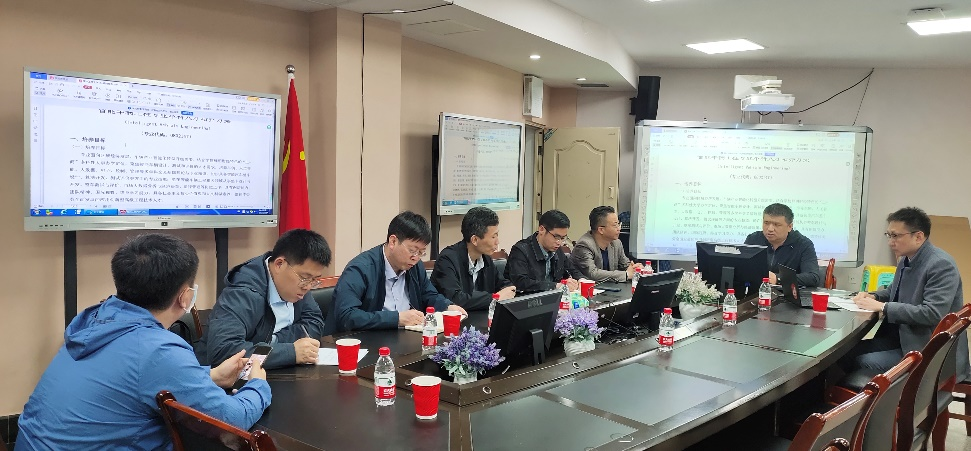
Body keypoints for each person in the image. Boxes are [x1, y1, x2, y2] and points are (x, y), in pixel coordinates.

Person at [16, 234, 270, 451]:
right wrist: (257, 384)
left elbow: (133, 377)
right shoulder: (157, 349)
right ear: (186, 297)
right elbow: (232, 420)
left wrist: (211, 376)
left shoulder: (95, 319)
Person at [847, 207, 970, 381]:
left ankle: (862, 396)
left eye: (895, 236)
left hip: (927, 348)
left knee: (862, 361)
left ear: (918, 237)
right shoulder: (906, 259)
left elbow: (932, 313)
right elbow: (893, 291)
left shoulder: (940, 264)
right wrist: (874, 296)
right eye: (889, 235)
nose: (890, 242)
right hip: (904, 337)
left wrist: (883, 306)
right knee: (846, 353)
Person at [205, 229, 331, 369]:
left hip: (274, 370)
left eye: (314, 280)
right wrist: (290, 351)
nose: (308, 287)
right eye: (305, 278)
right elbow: (223, 350)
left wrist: (276, 341)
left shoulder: (298, 285)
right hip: (228, 378)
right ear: (279, 264)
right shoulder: (243, 293)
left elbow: (315, 323)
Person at [327, 211, 467, 334]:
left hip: (406, 337)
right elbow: (346, 316)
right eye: (412, 250)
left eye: (421, 252)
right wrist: (397, 318)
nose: (416, 257)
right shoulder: (360, 269)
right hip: (366, 341)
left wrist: (447, 306)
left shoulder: (414, 266)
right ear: (393, 241)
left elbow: (429, 294)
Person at [431, 207, 516, 310]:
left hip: (480, 316)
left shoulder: (485, 258)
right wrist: (495, 298)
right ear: (475, 240)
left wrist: (509, 290)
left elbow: (502, 284)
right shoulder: (447, 260)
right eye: (493, 237)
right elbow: (456, 299)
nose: (497, 242)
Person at [744, 203, 821, 287]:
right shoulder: (753, 239)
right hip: (756, 291)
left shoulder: (803, 244)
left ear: (790, 226)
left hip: (787, 293)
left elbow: (813, 277)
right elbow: (741, 268)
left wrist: (779, 278)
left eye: (777, 225)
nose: (770, 229)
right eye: (766, 223)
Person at [506, 209, 583, 293]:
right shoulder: (521, 250)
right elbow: (521, 282)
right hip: (528, 298)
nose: (559, 242)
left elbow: (571, 269)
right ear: (541, 229)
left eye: (563, 238)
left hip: (552, 297)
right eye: (556, 237)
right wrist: (555, 286)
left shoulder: (556, 249)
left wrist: (581, 279)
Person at [571, 205, 643, 282]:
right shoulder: (584, 245)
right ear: (601, 230)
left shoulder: (616, 243)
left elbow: (625, 265)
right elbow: (592, 274)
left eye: (619, 224)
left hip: (610, 287)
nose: (619, 228)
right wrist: (626, 274)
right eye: (615, 225)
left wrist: (634, 268)